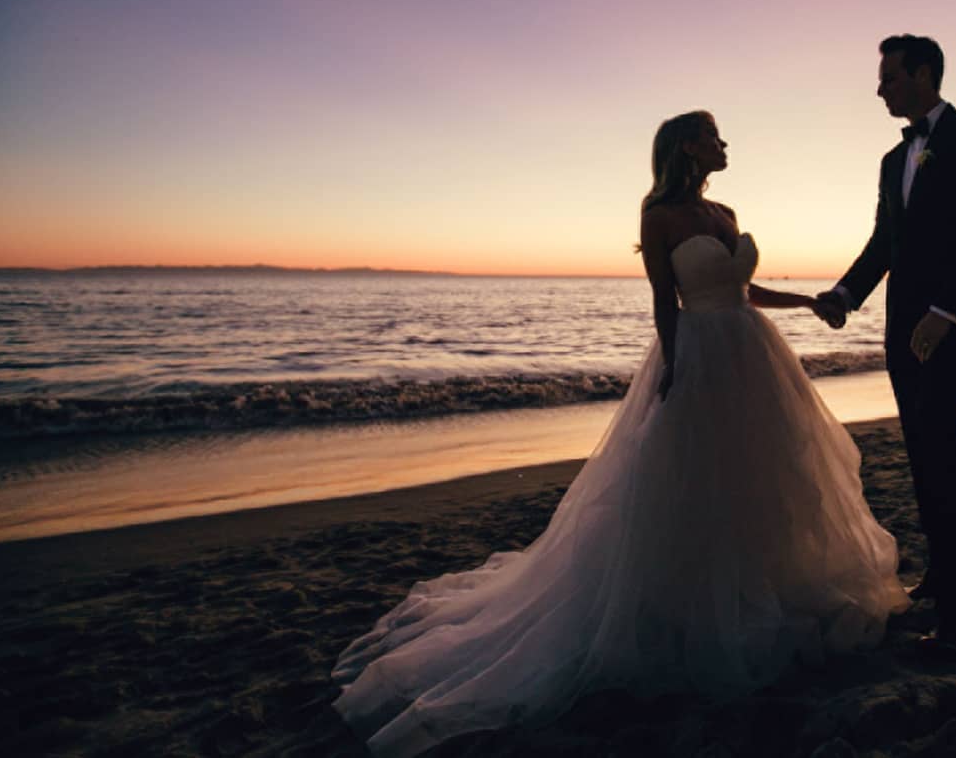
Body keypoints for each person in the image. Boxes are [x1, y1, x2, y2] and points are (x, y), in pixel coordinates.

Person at [331, 110, 909, 757]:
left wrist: (807, 303)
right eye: (715, 136)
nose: (724, 145)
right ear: (688, 146)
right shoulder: (658, 214)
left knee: (761, 480)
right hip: (697, 356)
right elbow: (667, 298)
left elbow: (741, 291)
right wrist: (672, 363)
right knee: (690, 486)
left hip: (752, 354)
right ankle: (692, 611)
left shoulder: (725, 214)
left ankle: (757, 593)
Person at [816, 34, 956, 659]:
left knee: (944, 447)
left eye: (890, 78)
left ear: (924, 74)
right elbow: (884, 243)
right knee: (920, 450)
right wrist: (845, 296)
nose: (880, 89)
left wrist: (946, 313)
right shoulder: (889, 160)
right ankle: (943, 570)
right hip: (904, 326)